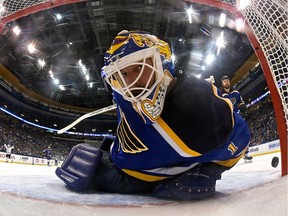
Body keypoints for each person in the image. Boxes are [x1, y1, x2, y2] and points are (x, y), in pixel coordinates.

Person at [56, 30, 251, 201]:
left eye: (139, 67)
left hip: (137, 175)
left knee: (81, 172)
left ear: (163, 62)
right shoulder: (123, 92)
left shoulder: (197, 109)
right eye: (122, 74)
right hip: (129, 157)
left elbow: (240, 137)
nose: (130, 83)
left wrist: (211, 171)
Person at [221, 75, 252, 160]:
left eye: (227, 80)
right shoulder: (221, 94)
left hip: (237, 116)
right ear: (222, 83)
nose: (226, 82)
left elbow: (240, 102)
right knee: (229, 137)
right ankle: (227, 156)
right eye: (224, 81)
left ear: (229, 82)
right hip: (228, 118)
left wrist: (244, 109)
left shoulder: (236, 92)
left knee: (244, 133)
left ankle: (245, 153)